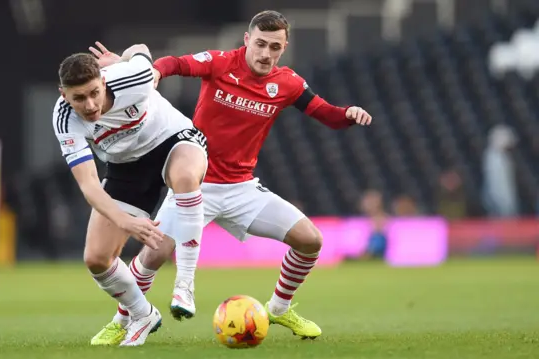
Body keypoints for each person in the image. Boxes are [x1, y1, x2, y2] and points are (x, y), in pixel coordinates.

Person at [91, 10, 372, 340]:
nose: (266, 54)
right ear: (247, 41)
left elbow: (327, 115)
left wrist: (348, 114)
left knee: (311, 241)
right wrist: (154, 72)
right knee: (153, 255)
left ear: (284, 47)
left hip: (242, 190)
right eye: (261, 44)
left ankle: (279, 309)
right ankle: (123, 320)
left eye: (275, 47)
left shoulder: (288, 83)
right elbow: (177, 63)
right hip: (195, 184)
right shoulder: (221, 62)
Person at [53, 43, 208, 346]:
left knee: (186, 176)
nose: (89, 105)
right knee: (96, 259)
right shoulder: (65, 119)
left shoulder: (132, 77)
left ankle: (185, 284)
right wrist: (125, 221)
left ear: (104, 81)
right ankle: (142, 314)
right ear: (63, 95)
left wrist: (123, 58)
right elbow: (90, 186)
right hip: (125, 166)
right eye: (78, 98)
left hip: (172, 139)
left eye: (94, 93)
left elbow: (141, 49)